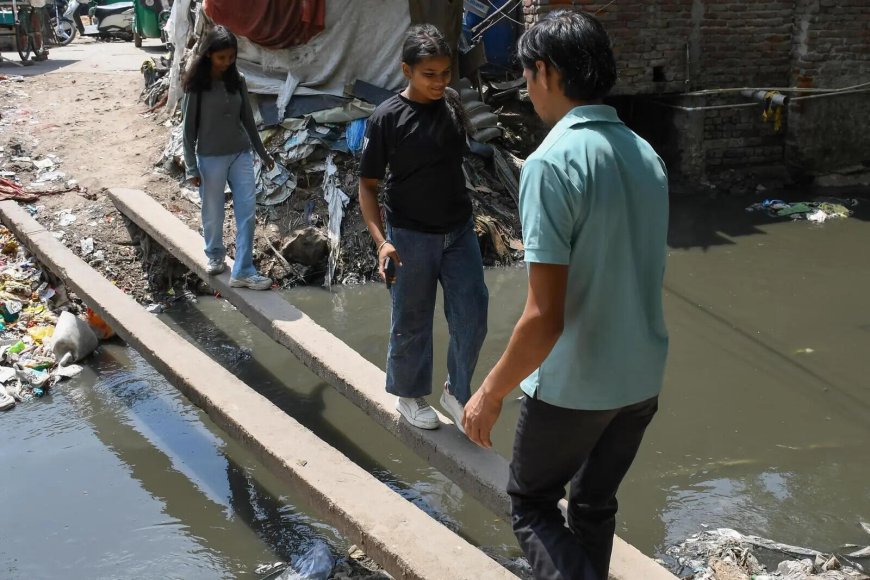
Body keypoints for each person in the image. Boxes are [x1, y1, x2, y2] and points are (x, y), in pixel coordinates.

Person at [462, 10, 669, 580]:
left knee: (530, 504)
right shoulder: (645, 154)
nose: (525, 89)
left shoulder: (551, 164)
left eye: (526, 74)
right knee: (593, 507)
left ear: (546, 73)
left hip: (578, 383)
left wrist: (490, 392)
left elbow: (544, 317)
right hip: (642, 377)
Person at [358, 24, 488, 433]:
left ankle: (457, 389)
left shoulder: (451, 103)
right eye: (428, 74)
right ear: (406, 71)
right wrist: (382, 243)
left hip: (458, 230)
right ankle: (409, 395)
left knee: (473, 313)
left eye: (444, 73)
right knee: (412, 320)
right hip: (410, 235)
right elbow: (367, 185)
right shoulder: (386, 119)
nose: (439, 82)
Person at [182, 25, 274, 290]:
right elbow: (188, 130)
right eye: (222, 57)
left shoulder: (238, 80)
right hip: (210, 158)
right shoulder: (196, 86)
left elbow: (248, 120)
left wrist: (262, 153)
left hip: (240, 154)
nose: (227, 62)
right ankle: (214, 255)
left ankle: (243, 270)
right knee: (213, 212)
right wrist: (191, 168)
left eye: (231, 57)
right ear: (209, 54)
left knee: (247, 211)